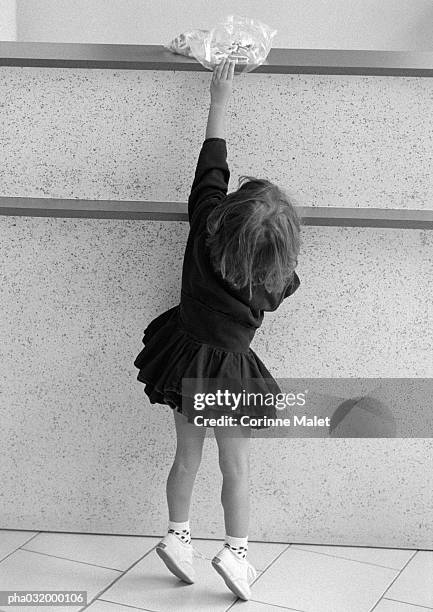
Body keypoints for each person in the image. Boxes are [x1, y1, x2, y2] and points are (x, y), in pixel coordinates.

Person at [133, 57, 301, 601]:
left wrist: (220, 100)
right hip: (228, 373)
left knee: (186, 457)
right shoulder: (275, 279)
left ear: (225, 214)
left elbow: (211, 169)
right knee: (236, 467)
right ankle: (236, 553)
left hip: (185, 358)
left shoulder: (205, 222)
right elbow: (284, 273)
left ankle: (177, 539)